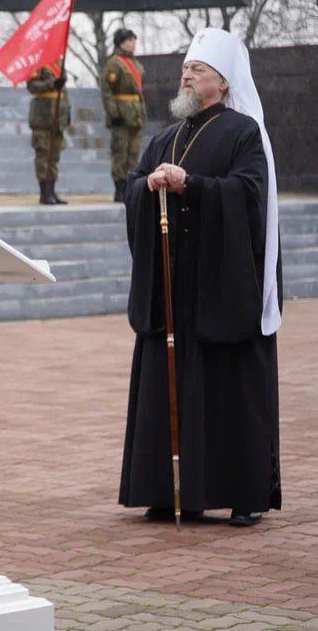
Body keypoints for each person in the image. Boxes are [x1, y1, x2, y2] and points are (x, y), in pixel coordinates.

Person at [120, 28, 282, 528]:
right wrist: (147, 187)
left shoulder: (243, 133)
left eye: (198, 70)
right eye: (186, 69)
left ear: (224, 82)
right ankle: (171, 491)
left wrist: (192, 185)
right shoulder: (165, 138)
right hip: (171, 288)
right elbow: (132, 187)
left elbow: (248, 195)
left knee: (229, 390)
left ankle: (244, 494)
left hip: (221, 287)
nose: (187, 76)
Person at [101, 27, 146, 202]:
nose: (132, 43)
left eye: (133, 40)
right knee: (120, 152)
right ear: (120, 43)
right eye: (129, 40)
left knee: (133, 153)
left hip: (134, 114)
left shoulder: (135, 63)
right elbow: (107, 91)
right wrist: (114, 113)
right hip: (121, 114)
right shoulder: (114, 63)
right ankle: (119, 189)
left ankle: (130, 187)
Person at [27, 67, 71, 205]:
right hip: (42, 119)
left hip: (57, 120)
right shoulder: (39, 63)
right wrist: (51, 84)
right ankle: (44, 193)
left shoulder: (59, 64)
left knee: (54, 158)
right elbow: (32, 86)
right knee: (43, 157)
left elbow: (63, 92)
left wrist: (67, 113)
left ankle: (51, 191)